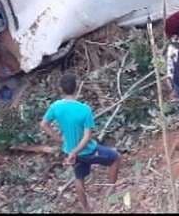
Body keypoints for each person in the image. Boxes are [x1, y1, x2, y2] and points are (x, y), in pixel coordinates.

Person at [41, 73, 121, 212]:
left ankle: (86, 209)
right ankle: (111, 191)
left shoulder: (55, 107)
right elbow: (87, 136)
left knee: (79, 178)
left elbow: (44, 124)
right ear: (76, 87)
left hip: (71, 152)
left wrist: (60, 140)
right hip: (87, 151)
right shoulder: (84, 109)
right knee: (115, 157)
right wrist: (75, 151)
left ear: (61, 89)